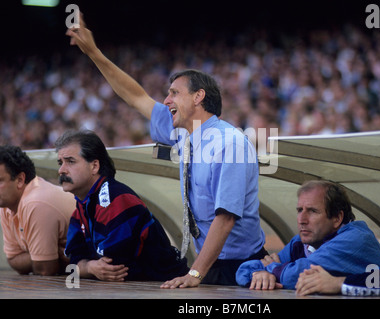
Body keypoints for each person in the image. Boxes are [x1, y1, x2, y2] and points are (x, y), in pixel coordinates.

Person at [66, 14, 267, 287]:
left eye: (174, 93)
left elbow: (225, 219)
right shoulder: (183, 133)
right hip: (209, 267)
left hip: (241, 270)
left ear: (199, 97)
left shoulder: (229, 143)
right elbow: (136, 97)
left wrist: (194, 274)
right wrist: (93, 52)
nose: (166, 100)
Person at [56, 130, 189, 281]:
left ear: (94, 166)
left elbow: (112, 267)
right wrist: (90, 267)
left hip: (169, 288)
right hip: (139, 288)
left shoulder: (115, 198)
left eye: (70, 161)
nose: (61, 170)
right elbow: (73, 262)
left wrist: (86, 266)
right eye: (60, 163)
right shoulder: (82, 206)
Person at [235, 180, 380, 290]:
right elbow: (243, 271)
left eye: (312, 211)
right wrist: (258, 273)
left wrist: (272, 269)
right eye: (299, 210)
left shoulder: (356, 239)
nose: (302, 220)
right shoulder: (302, 241)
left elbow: (299, 275)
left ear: (337, 218)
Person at [0, 145, 75, 276]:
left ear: (20, 180)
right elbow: (13, 260)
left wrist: (38, 257)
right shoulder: (6, 205)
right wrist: (41, 255)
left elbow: (45, 270)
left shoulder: (36, 202)